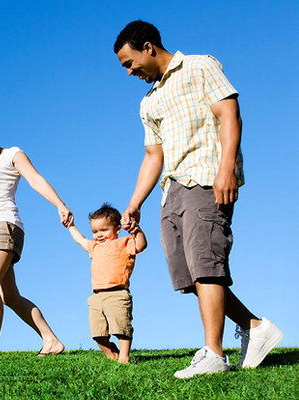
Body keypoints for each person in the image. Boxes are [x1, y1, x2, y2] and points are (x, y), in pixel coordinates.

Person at [114, 20, 283, 378]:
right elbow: (153, 155)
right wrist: (134, 203)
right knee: (189, 276)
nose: (129, 72)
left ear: (148, 47)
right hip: (171, 190)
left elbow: (229, 114)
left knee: (207, 264)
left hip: (206, 177)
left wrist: (226, 170)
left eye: (130, 63)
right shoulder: (148, 101)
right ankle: (254, 326)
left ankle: (214, 354)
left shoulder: (199, 66)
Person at [0, 111, 71, 359]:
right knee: (9, 296)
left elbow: (35, 179)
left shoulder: (12, 155)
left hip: (4, 225)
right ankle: (51, 340)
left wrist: (60, 205)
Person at [66, 203, 147, 364]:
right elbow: (81, 240)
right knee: (98, 333)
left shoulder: (125, 243)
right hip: (96, 296)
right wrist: (71, 226)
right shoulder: (95, 247)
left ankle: (124, 357)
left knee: (121, 328)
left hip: (117, 293)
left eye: (104, 230)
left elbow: (141, 245)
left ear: (117, 229)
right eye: (95, 231)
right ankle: (112, 355)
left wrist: (136, 231)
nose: (99, 235)